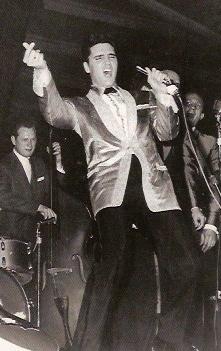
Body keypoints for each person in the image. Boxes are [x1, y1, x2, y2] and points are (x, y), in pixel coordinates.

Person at [22, 35, 195, 351]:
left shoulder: (139, 99)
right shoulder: (82, 107)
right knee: (112, 264)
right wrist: (43, 71)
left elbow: (168, 134)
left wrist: (161, 96)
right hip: (112, 193)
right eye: (99, 57)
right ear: (88, 67)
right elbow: (54, 112)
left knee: (187, 260)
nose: (107, 62)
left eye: (111, 56)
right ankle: (87, 347)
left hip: (153, 189)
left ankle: (168, 340)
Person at [182, 92, 221, 350]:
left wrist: (211, 224)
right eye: (187, 104)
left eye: (197, 105)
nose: (191, 108)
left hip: (200, 227)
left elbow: (218, 184)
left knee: (201, 288)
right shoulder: (166, 139)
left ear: (203, 114)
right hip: (174, 223)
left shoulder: (208, 142)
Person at [0, 119, 57, 244]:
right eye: (25, 140)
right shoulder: (4, 165)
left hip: (37, 238)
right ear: (13, 140)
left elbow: (54, 192)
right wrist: (37, 207)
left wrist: (57, 161)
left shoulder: (39, 164)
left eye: (33, 139)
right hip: (11, 238)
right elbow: (3, 197)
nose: (30, 145)